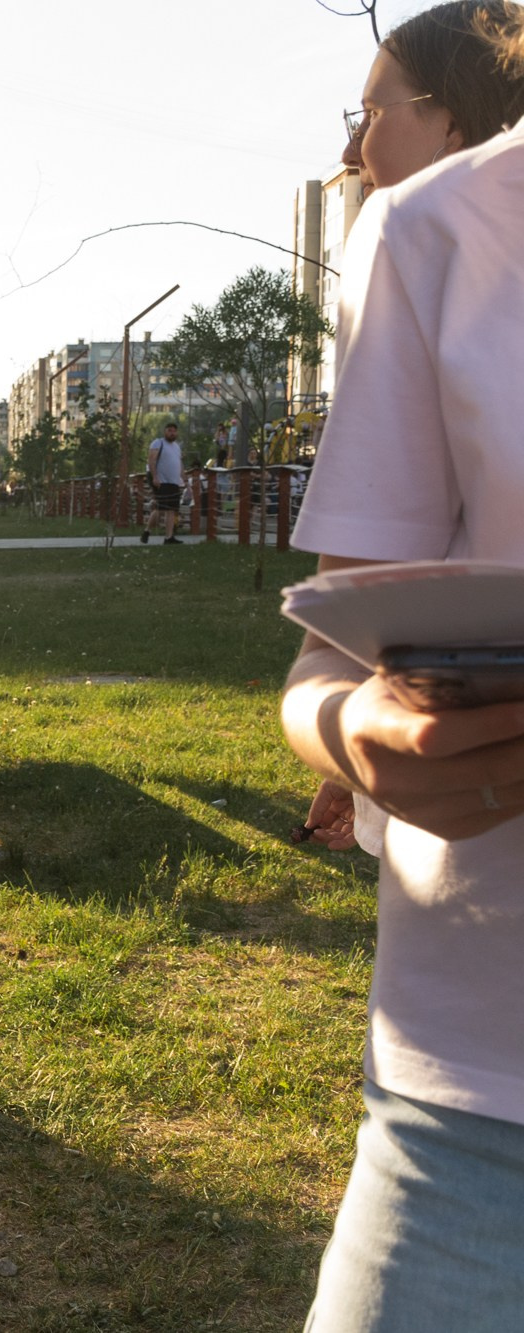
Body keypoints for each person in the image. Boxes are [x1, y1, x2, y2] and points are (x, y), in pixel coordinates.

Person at [280, 17, 524, 1323]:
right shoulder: (437, 236)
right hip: (485, 1103)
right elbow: (334, 642)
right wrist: (349, 730)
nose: (352, 146)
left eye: (378, 108)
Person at [301, 0, 524, 852]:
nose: (354, 151)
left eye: (371, 115)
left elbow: (366, 583)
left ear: (453, 123)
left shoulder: (403, 242)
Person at [140, 421, 184, 544]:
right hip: (161, 481)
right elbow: (151, 460)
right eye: (169, 430)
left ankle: (168, 537)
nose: (172, 433)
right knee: (160, 508)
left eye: (174, 431)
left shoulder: (177, 447)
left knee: (171, 510)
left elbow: (180, 464)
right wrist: (155, 477)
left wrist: (185, 480)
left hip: (174, 482)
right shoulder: (158, 443)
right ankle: (147, 530)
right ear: (165, 432)